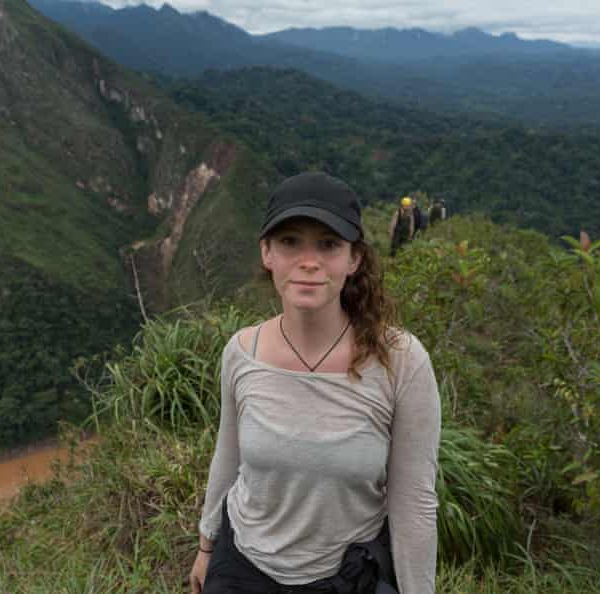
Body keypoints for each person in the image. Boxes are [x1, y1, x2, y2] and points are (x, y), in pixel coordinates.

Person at [189, 172, 441, 594]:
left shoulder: (400, 360)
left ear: (354, 259)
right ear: (267, 252)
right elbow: (228, 453)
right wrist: (206, 545)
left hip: (346, 575)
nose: (309, 261)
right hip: (244, 567)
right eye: (290, 242)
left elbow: (414, 503)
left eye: (328, 245)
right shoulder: (241, 351)